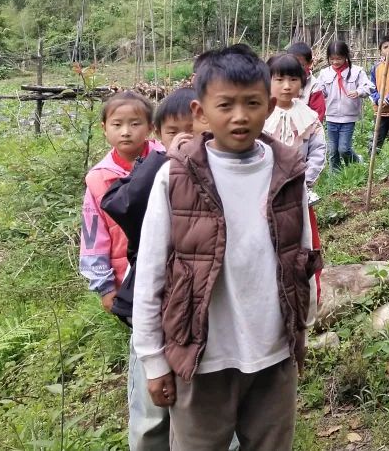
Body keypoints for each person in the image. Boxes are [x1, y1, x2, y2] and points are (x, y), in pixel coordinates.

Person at [133, 44, 319, 451]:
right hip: (203, 358)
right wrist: (152, 359)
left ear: (269, 106)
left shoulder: (288, 173)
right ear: (200, 113)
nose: (240, 116)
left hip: (273, 353)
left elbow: (301, 255)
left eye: (252, 103)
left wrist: (301, 328)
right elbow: (151, 273)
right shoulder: (176, 179)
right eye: (226, 105)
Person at [99, 91, 190, 451]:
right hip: (154, 304)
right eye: (173, 132)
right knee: (152, 409)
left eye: (193, 130)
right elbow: (119, 205)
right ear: (158, 135)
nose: (185, 139)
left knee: (203, 402)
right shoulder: (153, 169)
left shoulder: (224, 172)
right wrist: (162, 162)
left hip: (201, 310)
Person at [80, 91, 160, 316]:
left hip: (169, 267)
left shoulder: (168, 163)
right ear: (104, 128)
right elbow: (92, 235)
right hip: (127, 275)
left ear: (150, 127)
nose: (126, 132)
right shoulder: (98, 179)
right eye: (117, 124)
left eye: (135, 124)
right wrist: (104, 286)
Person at [264, 53, 327, 185]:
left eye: (293, 79)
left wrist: (306, 178)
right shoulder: (259, 115)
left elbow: (317, 149)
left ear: (302, 81)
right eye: (279, 80)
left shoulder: (309, 117)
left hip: (299, 183)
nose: (287, 86)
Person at [317, 41, 374, 171]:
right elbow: (321, 90)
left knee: (343, 148)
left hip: (349, 117)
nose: (335, 62)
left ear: (346, 56)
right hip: (331, 116)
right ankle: (335, 174)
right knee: (332, 149)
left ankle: (356, 160)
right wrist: (320, 93)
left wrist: (358, 92)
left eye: (339, 58)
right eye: (332, 59)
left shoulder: (356, 71)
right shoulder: (324, 73)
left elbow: (369, 86)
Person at [287, 42, 325, 122]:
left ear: (310, 63)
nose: (296, 68)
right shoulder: (282, 80)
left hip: (305, 127)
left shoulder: (314, 85)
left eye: (301, 65)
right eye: (292, 64)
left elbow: (318, 112)